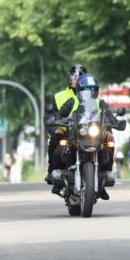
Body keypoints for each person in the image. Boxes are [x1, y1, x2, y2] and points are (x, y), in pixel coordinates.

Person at [45, 64, 86, 193]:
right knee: (55, 139)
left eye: (80, 76)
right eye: (74, 76)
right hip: (66, 132)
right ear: (69, 78)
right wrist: (54, 128)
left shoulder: (93, 96)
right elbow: (49, 116)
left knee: (108, 139)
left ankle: (103, 174)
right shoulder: (59, 96)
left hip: (87, 133)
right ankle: (52, 172)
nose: (76, 79)